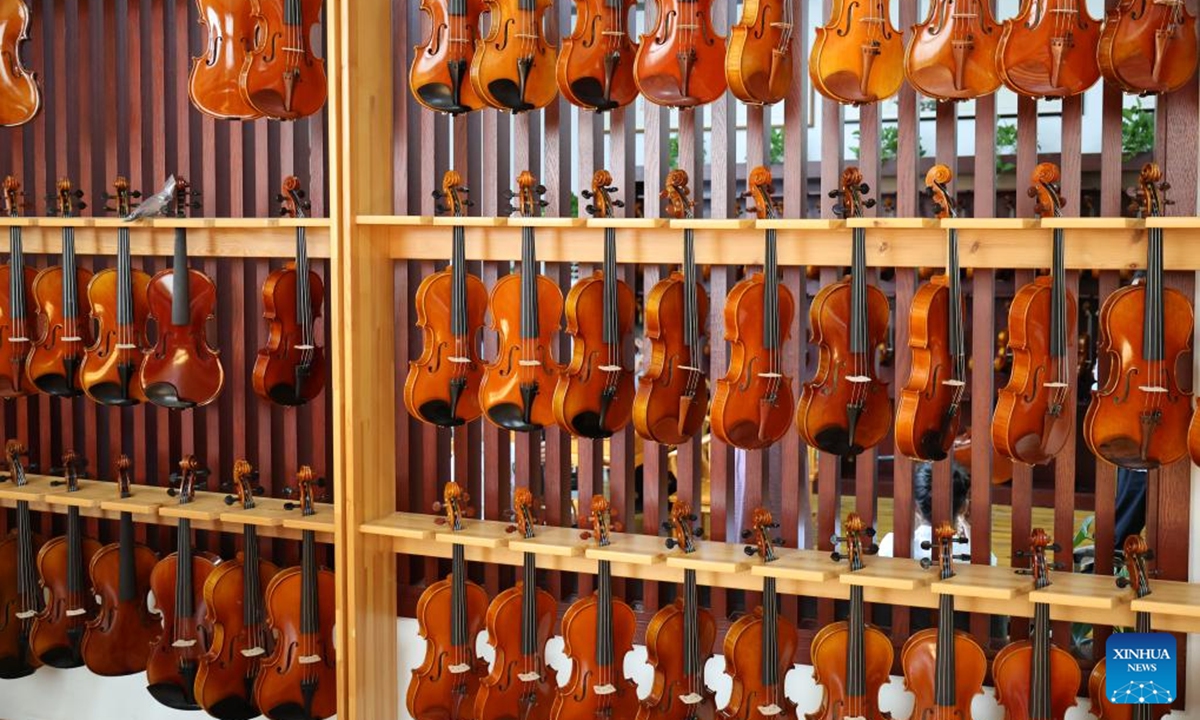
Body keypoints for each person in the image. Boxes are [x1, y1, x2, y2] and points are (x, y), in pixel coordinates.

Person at [877, 461, 996, 565]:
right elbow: (988, 563)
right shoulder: (974, 555)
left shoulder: (890, 545)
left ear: (915, 507)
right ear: (964, 507)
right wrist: (969, 528)